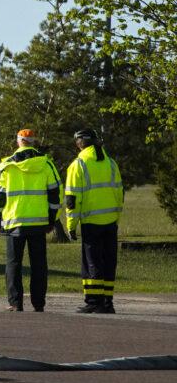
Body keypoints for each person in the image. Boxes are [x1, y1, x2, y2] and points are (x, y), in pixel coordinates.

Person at [0, 128, 62, 312]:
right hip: (39, 223)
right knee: (39, 264)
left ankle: (15, 303)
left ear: (18, 142)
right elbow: (55, 194)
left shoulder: (6, 166)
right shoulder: (46, 164)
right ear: (33, 142)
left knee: (13, 264)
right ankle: (38, 303)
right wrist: (52, 219)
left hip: (14, 222)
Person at [65, 128, 123, 314]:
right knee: (108, 261)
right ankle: (107, 302)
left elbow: (72, 200)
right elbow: (119, 193)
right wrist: (116, 218)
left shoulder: (79, 164)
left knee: (91, 262)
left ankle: (93, 301)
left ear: (80, 142)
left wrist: (71, 226)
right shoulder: (111, 163)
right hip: (110, 221)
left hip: (91, 221)